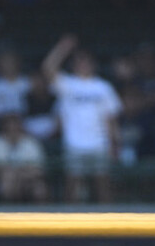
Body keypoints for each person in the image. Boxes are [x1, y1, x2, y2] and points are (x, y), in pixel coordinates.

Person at [42, 34, 122, 203]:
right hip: (74, 144)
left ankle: (108, 226)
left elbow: (111, 118)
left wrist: (115, 143)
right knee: (71, 188)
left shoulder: (103, 87)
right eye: (79, 60)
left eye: (86, 60)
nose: (83, 63)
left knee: (103, 187)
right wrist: (63, 48)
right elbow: (47, 68)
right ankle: (68, 228)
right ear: (74, 64)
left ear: (93, 64)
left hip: (100, 144)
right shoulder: (67, 84)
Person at [0, 113, 47, 203]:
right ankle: (8, 213)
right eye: (9, 128)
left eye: (15, 127)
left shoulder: (31, 143)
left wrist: (18, 174)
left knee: (39, 189)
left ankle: (39, 216)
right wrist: (12, 173)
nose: (12, 130)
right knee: (8, 179)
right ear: (3, 128)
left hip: (28, 180)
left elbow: (38, 170)